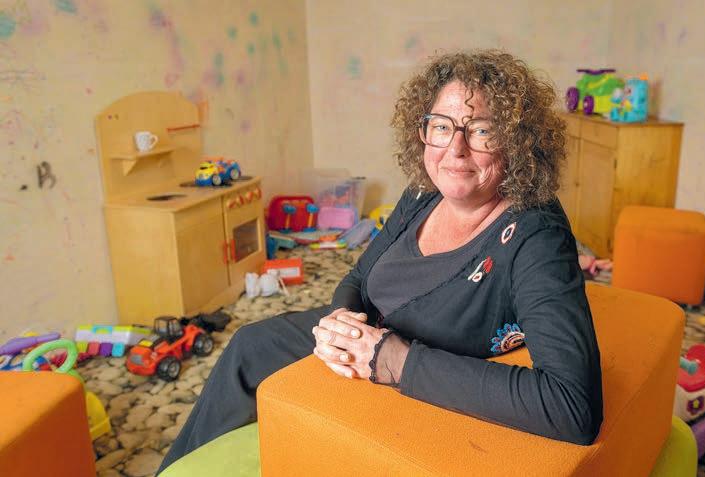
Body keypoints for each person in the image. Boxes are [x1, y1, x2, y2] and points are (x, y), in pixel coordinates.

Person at [158, 49, 603, 474]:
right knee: (248, 345)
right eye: (441, 126)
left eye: (482, 130)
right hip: (366, 332)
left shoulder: (537, 235)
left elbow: (572, 406)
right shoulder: (423, 191)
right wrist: (340, 319)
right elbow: (359, 276)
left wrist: (392, 359)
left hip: (407, 358)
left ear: (518, 142)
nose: (456, 148)